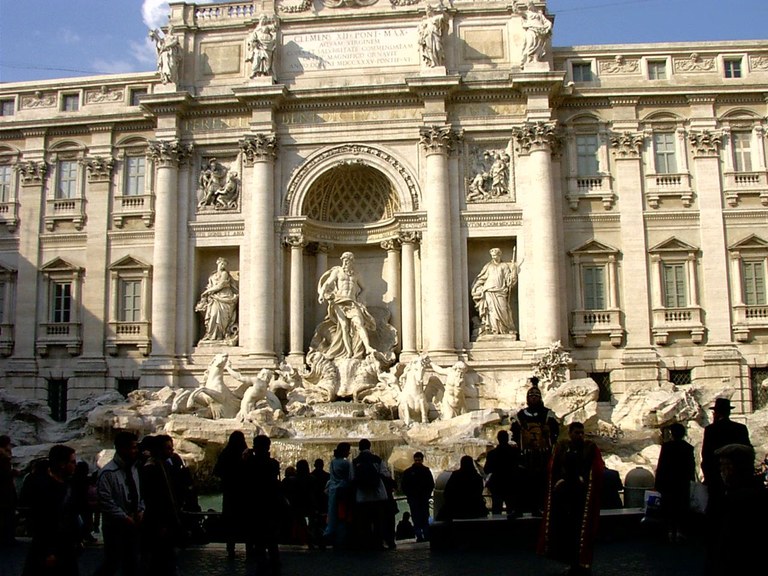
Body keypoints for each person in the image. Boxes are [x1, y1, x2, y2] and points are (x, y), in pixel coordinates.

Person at [538, 422, 604, 576]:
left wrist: (584, 480)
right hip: (566, 496)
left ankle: (581, 563)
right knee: (567, 532)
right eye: (577, 433)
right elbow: (554, 468)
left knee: (580, 532)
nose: (580, 436)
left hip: (582, 498)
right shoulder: (562, 447)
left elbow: (596, 469)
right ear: (570, 433)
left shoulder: (590, 448)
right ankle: (572, 563)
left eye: (582, 433)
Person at [706, 443, 768, 575]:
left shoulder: (734, 499)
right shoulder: (757, 493)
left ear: (732, 468)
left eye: (723, 465)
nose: (721, 470)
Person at [22, 444, 81, 576]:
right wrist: (48, 551)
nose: (75, 465)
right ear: (62, 464)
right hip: (49, 547)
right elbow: (40, 522)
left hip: (66, 546)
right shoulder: (42, 487)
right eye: (72, 462)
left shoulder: (68, 484)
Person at [94, 431, 143, 576]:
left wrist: (141, 510)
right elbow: (106, 501)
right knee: (112, 563)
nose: (136, 451)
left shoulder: (135, 468)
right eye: (133, 448)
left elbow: (140, 493)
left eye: (136, 447)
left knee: (132, 563)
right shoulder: (107, 472)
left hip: (134, 523)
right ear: (122, 448)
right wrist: (124, 517)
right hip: (115, 527)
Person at [511, 380, 560, 514]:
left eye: (536, 395)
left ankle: (540, 506)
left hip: (543, 454)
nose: (533, 397)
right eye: (531, 395)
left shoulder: (548, 414)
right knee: (524, 482)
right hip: (525, 455)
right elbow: (514, 433)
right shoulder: (520, 415)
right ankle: (520, 507)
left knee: (541, 482)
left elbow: (556, 432)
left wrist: (548, 432)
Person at [317, 251, 377, 359]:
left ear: (351, 261)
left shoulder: (356, 274)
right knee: (344, 326)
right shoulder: (337, 272)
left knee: (359, 323)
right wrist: (321, 294)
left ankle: (368, 347)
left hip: (352, 302)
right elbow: (327, 283)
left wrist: (360, 298)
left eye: (347, 260)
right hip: (339, 301)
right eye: (344, 260)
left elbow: (364, 288)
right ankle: (348, 352)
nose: (345, 263)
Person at [140, 435, 184, 576]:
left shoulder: (163, 464)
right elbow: (153, 498)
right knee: (160, 562)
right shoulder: (151, 467)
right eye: (168, 448)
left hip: (164, 522)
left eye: (172, 448)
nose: (171, 451)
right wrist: (161, 524)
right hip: (158, 523)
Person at [700, 397, 751, 513]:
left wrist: (708, 476)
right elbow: (747, 451)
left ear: (716, 413)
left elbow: (706, 455)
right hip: (739, 476)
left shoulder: (710, 430)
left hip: (716, 476)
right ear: (729, 412)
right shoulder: (740, 428)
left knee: (717, 508)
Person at [243, 435, 283, 573]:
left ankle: (262, 567)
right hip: (271, 505)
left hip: (256, 506)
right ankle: (275, 565)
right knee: (272, 542)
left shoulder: (250, 463)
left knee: (259, 541)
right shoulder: (273, 463)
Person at [654, 422, 695, 543]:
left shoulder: (667, 447)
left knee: (668, 508)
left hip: (668, 482)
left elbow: (661, 466)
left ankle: (669, 532)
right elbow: (691, 467)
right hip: (682, 483)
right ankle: (680, 532)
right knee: (681, 508)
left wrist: (658, 484)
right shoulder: (688, 448)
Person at [350, 438, 393, 550]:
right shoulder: (377, 459)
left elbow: (352, 478)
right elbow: (385, 474)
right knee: (378, 521)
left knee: (364, 521)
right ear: (370, 447)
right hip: (378, 495)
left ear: (359, 448)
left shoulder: (355, 461)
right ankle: (379, 543)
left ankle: (366, 543)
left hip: (362, 497)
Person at [213, 430, 248, 559]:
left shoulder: (225, 453)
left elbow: (216, 471)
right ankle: (250, 547)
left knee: (230, 520)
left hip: (229, 492)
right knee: (246, 520)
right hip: (244, 493)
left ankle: (230, 548)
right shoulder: (245, 454)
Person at [471, 247, 521, 336]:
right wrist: (476, 286)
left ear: (499, 255)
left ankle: (504, 329)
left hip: (500, 292)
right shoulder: (488, 266)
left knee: (503, 309)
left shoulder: (504, 266)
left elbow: (509, 280)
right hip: (488, 291)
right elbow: (482, 278)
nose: (494, 257)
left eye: (495, 255)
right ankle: (492, 329)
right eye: (492, 255)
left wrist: (513, 272)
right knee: (491, 311)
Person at [196, 257, 239, 343]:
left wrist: (208, 291)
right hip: (214, 299)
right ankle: (211, 335)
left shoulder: (225, 274)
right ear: (217, 263)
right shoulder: (212, 275)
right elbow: (210, 285)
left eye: (225, 264)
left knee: (222, 318)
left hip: (225, 297)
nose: (223, 266)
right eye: (222, 263)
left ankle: (220, 335)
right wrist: (208, 292)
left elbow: (220, 285)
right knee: (213, 315)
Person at [483, 430, 523, 517]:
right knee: (512, 509)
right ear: (507, 438)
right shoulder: (515, 452)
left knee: (496, 511)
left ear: (498, 439)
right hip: (511, 484)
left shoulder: (492, 454)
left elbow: (486, 470)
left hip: (497, 485)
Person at [438, 455, 488, 521]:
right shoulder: (477, 477)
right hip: (475, 509)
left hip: (456, 509)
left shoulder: (456, 475)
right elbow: (479, 492)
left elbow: (448, 492)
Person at [401, 451, 434, 542]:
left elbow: (431, 484)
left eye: (419, 460)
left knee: (422, 516)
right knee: (418, 516)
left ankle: (424, 535)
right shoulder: (422, 471)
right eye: (416, 460)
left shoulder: (411, 472)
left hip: (420, 498)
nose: (418, 462)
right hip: (417, 498)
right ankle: (420, 535)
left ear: (422, 460)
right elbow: (404, 485)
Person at [323, 442, 352, 548]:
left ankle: (329, 534)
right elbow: (351, 477)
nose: (349, 452)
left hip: (333, 490)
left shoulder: (333, 462)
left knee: (333, 514)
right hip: (343, 490)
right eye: (347, 450)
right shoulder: (346, 463)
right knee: (343, 515)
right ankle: (341, 538)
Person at [519, 1, 552, 68]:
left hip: (540, 30)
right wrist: (514, 6)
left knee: (539, 45)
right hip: (531, 29)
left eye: (529, 5)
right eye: (527, 6)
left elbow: (546, 21)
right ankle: (529, 59)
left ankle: (535, 59)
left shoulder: (539, 14)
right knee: (530, 43)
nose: (529, 7)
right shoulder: (527, 13)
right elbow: (518, 12)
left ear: (532, 5)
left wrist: (549, 25)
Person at [0, 435, 17, 547]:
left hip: (5, 493)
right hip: (5, 493)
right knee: (6, 516)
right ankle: (7, 538)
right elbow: (4, 475)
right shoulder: (3, 457)